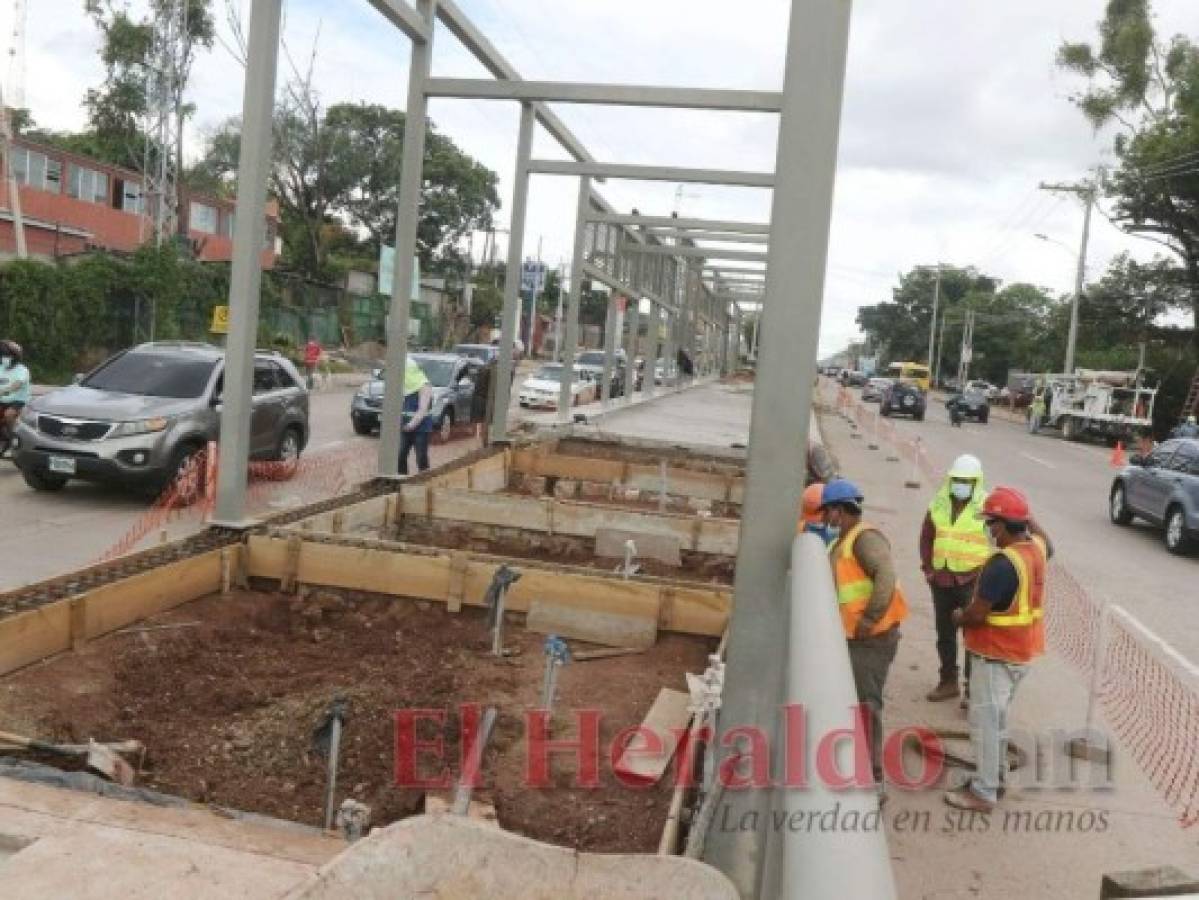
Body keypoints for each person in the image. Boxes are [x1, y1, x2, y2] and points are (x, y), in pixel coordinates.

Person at [944, 486, 1053, 813]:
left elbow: (977, 615)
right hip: (1020, 654)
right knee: (999, 720)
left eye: (991, 523)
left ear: (1004, 525)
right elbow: (1050, 544)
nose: (988, 530)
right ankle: (995, 775)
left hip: (995, 656)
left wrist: (958, 618)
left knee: (986, 724)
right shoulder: (1035, 549)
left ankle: (984, 792)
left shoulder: (1002, 564)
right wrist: (1024, 514)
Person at [821, 479, 909, 795]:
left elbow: (886, 574)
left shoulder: (864, 539)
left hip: (872, 640)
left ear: (839, 510)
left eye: (827, 512)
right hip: (856, 638)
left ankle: (873, 780)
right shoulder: (844, 541)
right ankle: (856, 766)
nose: (825, 519)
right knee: (856, 704)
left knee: (865, 706)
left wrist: (869, 619)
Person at [920, 454, 989, 704]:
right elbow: (927, 536)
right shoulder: (939, 502)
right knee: (944, 633)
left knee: (972, 636)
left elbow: (999, 545)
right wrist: (929, 569)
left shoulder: (986, 509)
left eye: (966, 480)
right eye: (957, 479)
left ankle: (971, 690)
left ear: (976, 482)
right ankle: (948, 681)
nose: (961, 484)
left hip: (972, 580)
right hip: (942, 579)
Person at [399, 356, 434, 475]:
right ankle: (402, 481)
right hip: (405, 427)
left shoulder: (425, 386)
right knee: (400, 455)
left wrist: (411, 425)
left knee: (421, 457)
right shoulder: (405, 388)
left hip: (421, 428)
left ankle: (425, 480)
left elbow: (422, 410)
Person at [0, 340, 32, 458]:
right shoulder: (1, 367)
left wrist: (4, 390)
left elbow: (17, 385)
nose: (4, 358)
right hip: (2, 400)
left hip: (18, 401)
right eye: (2, 356)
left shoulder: (22, 370)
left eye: (6, 356)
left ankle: (13, 442)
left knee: (9, 414)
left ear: (15, 357)